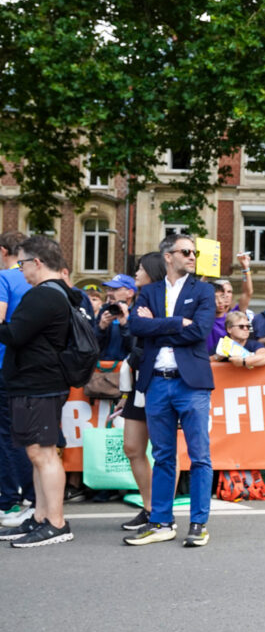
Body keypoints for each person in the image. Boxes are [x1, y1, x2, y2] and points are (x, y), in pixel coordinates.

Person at [126, 234, 216, 548]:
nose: (192, 257)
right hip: (157, 382)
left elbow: (201, 331)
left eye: (195, 252)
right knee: (163, 455)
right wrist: (178, 322)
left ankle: (198, 523)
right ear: (168, 256)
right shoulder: (148, 291)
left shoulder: (204, 290)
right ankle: (161, 521)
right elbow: (136, 328)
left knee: (199, 457)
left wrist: (160, 327)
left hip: (190, 383)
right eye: (186, 251)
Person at [0, 236, 78, 547]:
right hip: (38, 382)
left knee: (43, 453)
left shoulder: (44, 296)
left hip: (40, 383)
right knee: (36, 453)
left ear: (37, 262)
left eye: (22, 264)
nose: (20, 272)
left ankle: (56, 522)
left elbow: (16, 334)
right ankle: (41, 516)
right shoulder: (53, 292)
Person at [117, 252, 167, 533]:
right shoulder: (138, 301)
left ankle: (160, 510)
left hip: (160, 381)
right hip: (137, 384)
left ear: (153, 271)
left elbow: (167, 338)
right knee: (132, 447)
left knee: (164, 451)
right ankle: (148, 507)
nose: (136, 272)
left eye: (140, 269)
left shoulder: (166, 300)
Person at [0, 231, 35, 528]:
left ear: (3, 251)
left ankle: (10, 499)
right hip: (32, 367)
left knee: (6, 433)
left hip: (4, 362)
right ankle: (32, 497)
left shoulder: (4, 279)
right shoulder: (36, 280)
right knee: (26, 434)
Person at [205, 253, 254, 356]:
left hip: (229, 364)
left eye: (228, 292)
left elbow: (247, 293)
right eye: (218, 296)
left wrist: (245, 268)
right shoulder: (203, 316)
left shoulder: (234, 316)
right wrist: (205, 275)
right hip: (208, 363)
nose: (224, 298)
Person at [94, 273, 137, 361]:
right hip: (102, 368)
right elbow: (92, 346)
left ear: (130, 293)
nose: (109, 293)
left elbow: (134, 348)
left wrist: (125, 324)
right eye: (108, 289)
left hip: (125, 369)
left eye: (115, 289)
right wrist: (101, 328)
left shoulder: (137, 313)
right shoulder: (105, 310)